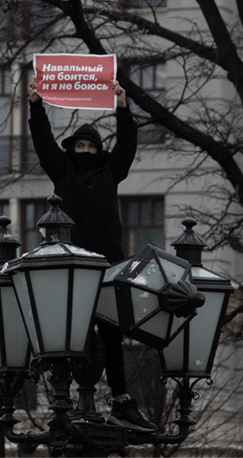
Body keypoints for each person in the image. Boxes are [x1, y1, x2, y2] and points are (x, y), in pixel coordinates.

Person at [28, 75, 156, 433]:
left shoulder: (111, 170)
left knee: (112, 333)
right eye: (80, 146)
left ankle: (120, 401)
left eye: (90, 146)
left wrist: (122, 108)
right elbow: (43, 142)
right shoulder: (62, 169)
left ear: (99, 151)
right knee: (67, 330)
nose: (84, 150)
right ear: (73, 149)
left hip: (107, 264)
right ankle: (62, 398)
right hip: (70, 265)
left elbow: (127, 146)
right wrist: (36, 105)